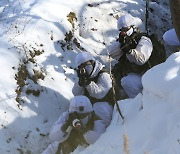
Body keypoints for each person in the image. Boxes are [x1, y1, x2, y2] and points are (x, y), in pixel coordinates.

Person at [42, 95, 107, 154]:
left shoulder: (96, 120)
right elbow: (53, 137)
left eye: (83, 115)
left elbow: (100, 143)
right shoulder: (66, 116)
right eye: (77, 115)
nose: (79, 118)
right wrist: (65, 126)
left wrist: (84, 130)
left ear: (90, 113)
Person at [109, 13, 153, 98]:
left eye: (125, 29)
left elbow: (141, 60)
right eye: (121, 30)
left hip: (146, 75)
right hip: (133, 73)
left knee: (127, 82)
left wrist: (129, 51)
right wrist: (120, 43)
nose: (123, 32)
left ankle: (140, 103)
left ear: (132, 27)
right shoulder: (125, 40)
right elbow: (112, 53)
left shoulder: (143, 39)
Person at [72, 52, 113, 127]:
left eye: (85, 64)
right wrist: (80, 83)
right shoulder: (85, 75)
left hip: (107, 104)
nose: (83, 68)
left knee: (98, 107)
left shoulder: (103, 74)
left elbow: (100, 94)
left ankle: (108, 130)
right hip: (93, 105)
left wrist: (88, 83)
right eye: (81, 66)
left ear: (92, 62)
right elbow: (76, 93)